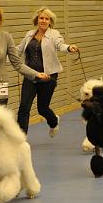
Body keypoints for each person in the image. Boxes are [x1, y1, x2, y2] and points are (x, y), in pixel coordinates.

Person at [16, 7, 78, 136]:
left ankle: (54, 121)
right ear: (37, 20)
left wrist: (69, 48)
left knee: (42, 109)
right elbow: (18, 50)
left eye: (46, 18)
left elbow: (60, 45)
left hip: (48, 77)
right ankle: (20, 138)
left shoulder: (54, 34)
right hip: (31, 76)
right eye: (41, 18)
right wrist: (1, 54)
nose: (43, 21)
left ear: (50, 21)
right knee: (24, 107)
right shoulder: (29, 34)